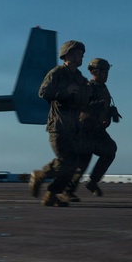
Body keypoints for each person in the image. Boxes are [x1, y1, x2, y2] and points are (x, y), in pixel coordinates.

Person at [29, 40, 89, 207]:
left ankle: (51, 195)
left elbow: (84, 102)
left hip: (74, 126)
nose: (81, 56)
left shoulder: (80, 78)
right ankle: (41, 175)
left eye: (82, 54)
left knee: (74, 163)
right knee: (67, 160)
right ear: (67, 55)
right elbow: (43, 92)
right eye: (78, 53)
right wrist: (65, 92)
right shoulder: (56, 73)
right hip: (58, 125)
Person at [63, 57, 121, 200]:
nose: (106, 75)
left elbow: (104, 106)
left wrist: (111, 112)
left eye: (107, 72)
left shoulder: (103, 88)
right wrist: (93, 106)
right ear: (95, 72)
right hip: (84, 130)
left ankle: (92, 182)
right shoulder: (87, 87)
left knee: (110, 150)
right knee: (83, 161)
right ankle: (67, 191)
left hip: (98, 130)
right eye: (104, 72)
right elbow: (77, 105)